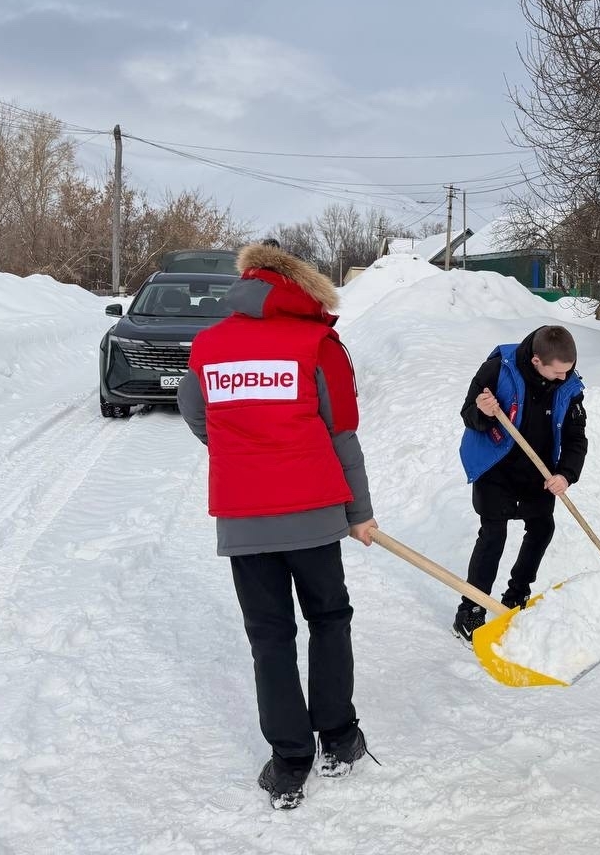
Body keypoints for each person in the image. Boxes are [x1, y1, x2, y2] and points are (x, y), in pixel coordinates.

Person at [178, 241, 378, 811]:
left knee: (270, 637)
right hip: (314, 515)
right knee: (329, 619)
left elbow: (197, 414)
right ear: (302, 288)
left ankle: (290, 760)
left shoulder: (209, 345)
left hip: (244, 518)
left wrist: (243, 452)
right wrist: (359, 512)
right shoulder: (319, 343)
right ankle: (338, 736)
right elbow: (342, 433)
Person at [455, 325, 588, 641]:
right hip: (497, 468)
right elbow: (468, 414)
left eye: (568, 371)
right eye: (558, 372)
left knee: (543, 528)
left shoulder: (569, 385)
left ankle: (516, 596)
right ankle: (471, 610)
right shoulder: (499, 367)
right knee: (493, 534)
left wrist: (566, 474)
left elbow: (575, 437)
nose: (564, 378)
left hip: (539, 471)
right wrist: (483, 413)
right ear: (537, 361)